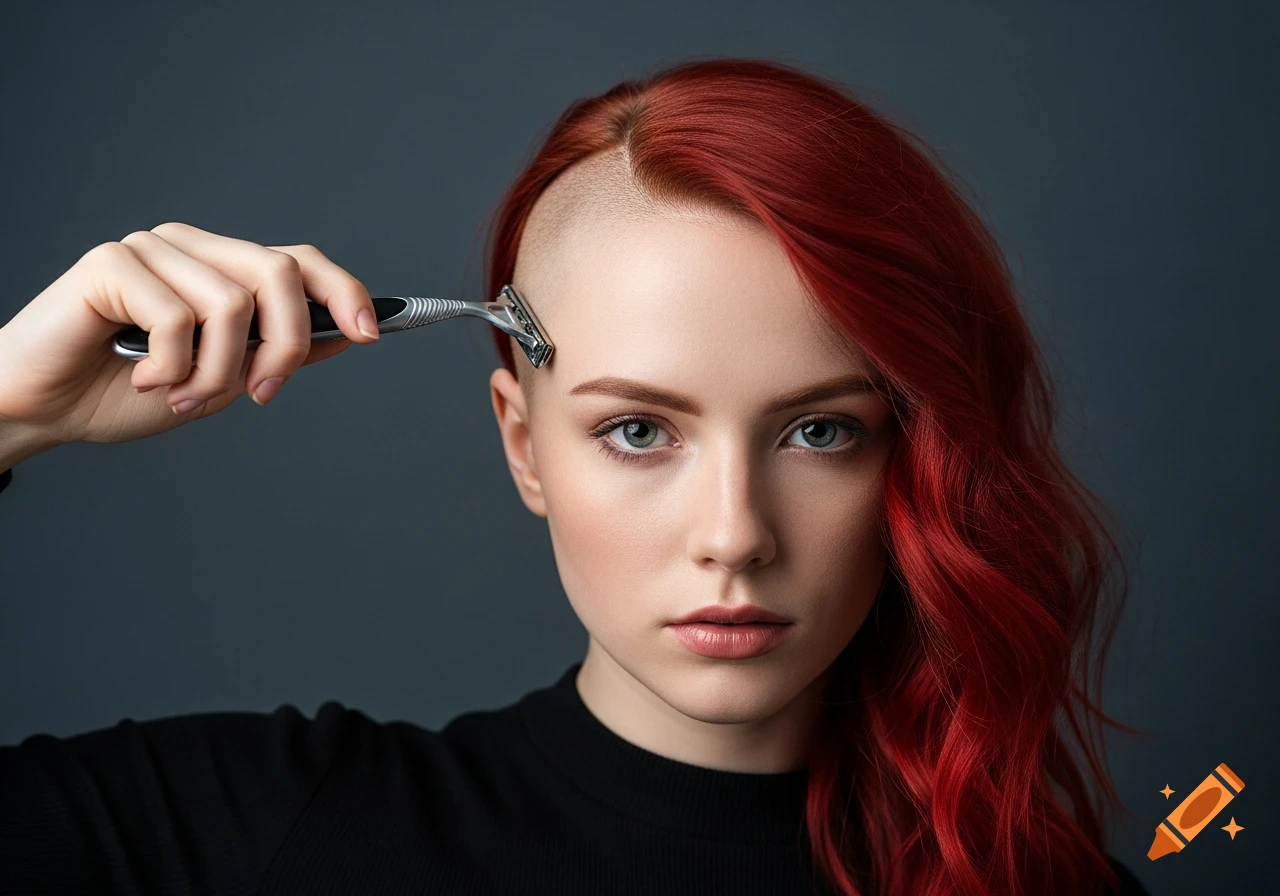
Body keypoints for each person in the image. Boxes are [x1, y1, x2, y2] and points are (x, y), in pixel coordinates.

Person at [0, 58, 1151, 895]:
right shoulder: (243, 836)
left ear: (918, 451)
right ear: (522, 442)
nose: (733, 535)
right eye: (640, 432)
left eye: (819, 433)